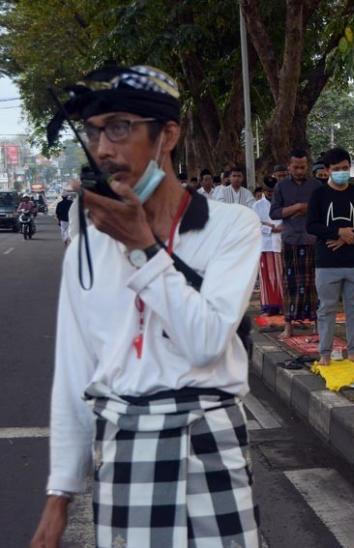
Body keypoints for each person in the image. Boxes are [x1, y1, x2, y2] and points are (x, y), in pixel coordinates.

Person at [32, 65, 260, 548]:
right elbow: (75, 373)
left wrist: (143, 248)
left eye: (120, 128)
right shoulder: (85, 250)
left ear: (168, 135)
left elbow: (203, 342)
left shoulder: (231, 226)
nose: (104, 149)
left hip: (210, 444)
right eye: (94, 133)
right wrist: (59, 497)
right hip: (124, 448)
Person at [306, 147, 354, 364]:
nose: (342, 172)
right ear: (327, 170)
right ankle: (324, 353)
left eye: (346, 168)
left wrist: (347, 235)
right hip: (327, 263)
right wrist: (337, 231)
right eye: (337, 169)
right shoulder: (318, 195)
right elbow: (312, 225)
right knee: (327, 309)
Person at [270, 149, 323, 338]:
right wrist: (295, 208)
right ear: (289, 166)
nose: (299, 170)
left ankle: (317, 324)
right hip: (291, 239)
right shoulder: (281, 187)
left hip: (312, 240)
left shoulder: (316, 185)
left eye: (302, 167)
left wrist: (308, 208)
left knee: (315, 284)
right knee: (290, 283)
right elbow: (274, 213)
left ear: (307, 166)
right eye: (296, 167)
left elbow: (323, 211)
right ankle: (289, 325)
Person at [253, 186, 284, 316]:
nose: (271, 193)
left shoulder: (283, 202)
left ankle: (284, 305)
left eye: (273, 191)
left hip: (281, 243)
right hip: (265, 245)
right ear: (264, 191)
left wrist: (281, 227)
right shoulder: (257, 205)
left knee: (282, 276)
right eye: (268, 191)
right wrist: (269, 229)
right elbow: (254, 224)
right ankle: (268, 307)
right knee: (267, 277)